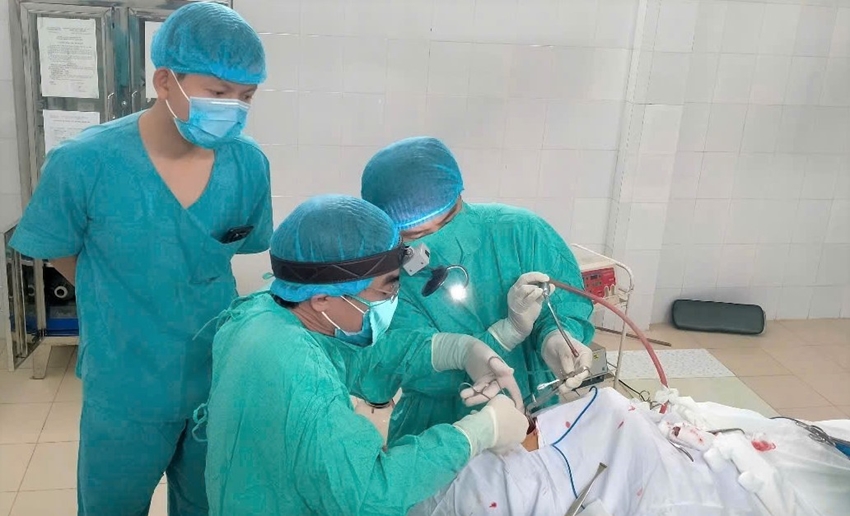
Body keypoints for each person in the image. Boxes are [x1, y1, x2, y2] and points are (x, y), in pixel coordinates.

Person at [9, 3, 271, 515]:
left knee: (206, 505)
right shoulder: (84, 162)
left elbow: (229, 251)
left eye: (246, 96)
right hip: (125, 385)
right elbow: (57, 246)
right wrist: (116, 288)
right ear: (165, 82)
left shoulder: (248, 165)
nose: (234, 109)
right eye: (219, 93)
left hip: (213, 381)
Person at [203, 195, 529, 515]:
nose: (392, 300)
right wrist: (476, 433)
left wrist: (457, 350)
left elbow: (356, 360)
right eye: (386, 290)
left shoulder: (272, 309)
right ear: (322, 299)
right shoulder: (296, 371)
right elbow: (369, 494)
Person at [360, 136, 596, 443]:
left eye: (449, 218)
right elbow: (406, 361)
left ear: (459, 194)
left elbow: (566, 303)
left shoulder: (521, 231)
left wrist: (556, 338)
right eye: (417, 234)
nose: (440, 236)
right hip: (442, 431)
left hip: (538, 412)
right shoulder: (386, 280)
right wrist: (504, 334)